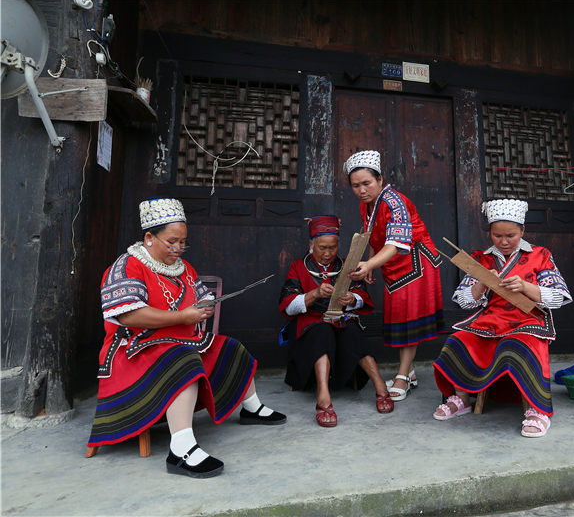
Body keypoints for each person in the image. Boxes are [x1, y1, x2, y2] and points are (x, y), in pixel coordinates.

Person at [87, 198, 286, 478]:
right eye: (172, 242)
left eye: (183, 242)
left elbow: (200, 295)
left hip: (178, 342)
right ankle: (181, 448)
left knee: (229, 347)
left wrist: (205, 307)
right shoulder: (127, 266)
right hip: (133, 351)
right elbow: (130, 316)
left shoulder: (183, 267)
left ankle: (251, 408)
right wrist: (183, 317)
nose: (178, 249)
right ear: (149, 238)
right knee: (184, 362)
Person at [432, 199, 572, 437]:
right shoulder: (480, 258)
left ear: (522, 231)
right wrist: (480, 286)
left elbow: (559, 297)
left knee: (517, 344)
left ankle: (537, 410)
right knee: (457, 341)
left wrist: (526, 287)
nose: (504, 241)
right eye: (497, 236)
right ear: (490, 233)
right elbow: (463, 300)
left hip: (527, 321)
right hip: (489, 321)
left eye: (511, 236)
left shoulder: (541, 255)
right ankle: (462, 398)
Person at [344, 150, 444, 401]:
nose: (362, 190)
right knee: (399, 315)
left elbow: (396, 243)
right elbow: (373, 234)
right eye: (355, 186)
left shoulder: (394, 202)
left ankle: (403, 376)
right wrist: (372, 263)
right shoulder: (366, 203)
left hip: (415, 262)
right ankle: (409, 372)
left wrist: (370, 264)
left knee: (408, 319)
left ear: (380, 179)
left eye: (367, 183)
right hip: (392, 262)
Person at [279, 215, 394, 427]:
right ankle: (323, 397)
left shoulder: (347, 265)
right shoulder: (298, 267)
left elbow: (362, 297)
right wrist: (313, 294)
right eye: (322, 248)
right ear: (311, 245)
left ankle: (380, 386)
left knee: (353, 332)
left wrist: (352, 299)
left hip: (340, 319)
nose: (327, 253)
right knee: (321, 332)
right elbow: (288, 305)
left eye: (332, 248)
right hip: (311, 324)